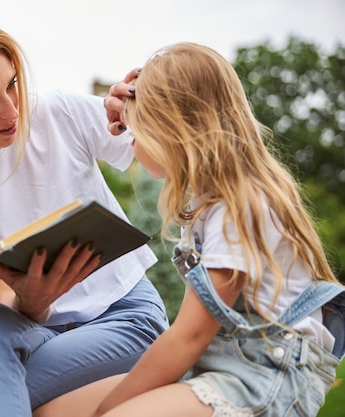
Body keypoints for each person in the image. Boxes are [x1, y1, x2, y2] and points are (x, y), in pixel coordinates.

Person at [34, 42, 345, 417]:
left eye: (137, 132)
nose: (129, 141)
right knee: (51, 413)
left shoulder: (239, 206)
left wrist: (108, 409)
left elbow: (190, 335)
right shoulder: (211, 201)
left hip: (264, 375)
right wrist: (136, 101)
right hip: (218, 361)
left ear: (174, 131)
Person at [0, 12, 168, 417]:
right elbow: (5, 300)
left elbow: (163, 155)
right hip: (33, 328)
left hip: (124, 318)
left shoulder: (56, 115)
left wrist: (143, 110)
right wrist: (32, 301)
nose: (11, 110)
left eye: (12, 85)